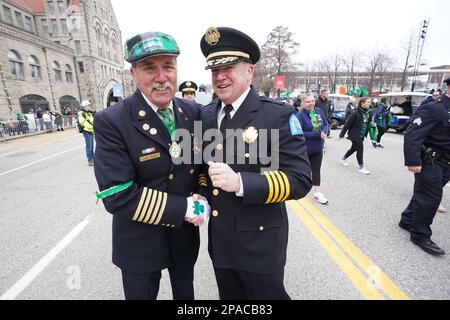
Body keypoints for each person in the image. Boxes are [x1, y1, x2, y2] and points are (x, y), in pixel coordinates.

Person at [198, 26, 312, 300]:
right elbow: (204, 169)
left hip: (260, 244)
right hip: (221, 242)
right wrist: (200, 195)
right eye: (215, 70)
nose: (220, 77)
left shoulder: (277, 116)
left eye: (229, 67)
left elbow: (300, 180)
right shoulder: (206, 116)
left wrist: (241, 183)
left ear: (249, 71)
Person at [93, 31, 207, 300]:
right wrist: (185, 207)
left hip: (183, 237)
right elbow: (116, 195)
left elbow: (202, 163)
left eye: (168, 66)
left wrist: (201, 192)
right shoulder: (112, 121)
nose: (161, 77)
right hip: (139, 242)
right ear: (133, 74)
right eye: (149, 68)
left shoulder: (193, 113)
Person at [398, 78, 450, 256]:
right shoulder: (434, 107)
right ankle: (420, 234)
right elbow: (413, 134)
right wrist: (413, 161)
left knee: (425, 193)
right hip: (431, 160)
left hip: (446, 162)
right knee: (431, 198)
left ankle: (407, 219)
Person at [297, 93, 329, 204]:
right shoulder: (300, 115)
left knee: (316, 171)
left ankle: (317, 193)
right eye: (308, 101)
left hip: (318, 148)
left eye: (312, 101)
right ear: (303, 103)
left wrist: (324, 131)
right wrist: (316, 135)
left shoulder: (318, 111)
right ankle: (299, 191)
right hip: (305, 149)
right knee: (305, 172)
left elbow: (325, 124)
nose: (311, 103)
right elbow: (299, 133)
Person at [338, 97, 373, 175]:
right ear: (362, 103)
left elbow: (367, 122)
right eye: (368, 102)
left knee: (353, 149)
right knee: (360, 149)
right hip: (355, 135)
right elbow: (347, 124)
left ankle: (343, 159)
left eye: (369, 102)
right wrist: (341, 135)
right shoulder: (355, 113)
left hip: (362, 135)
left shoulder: (367, 112)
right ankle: (361, 167)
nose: (369, 103)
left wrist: (372, 124)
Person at [77, 100, 95, 166]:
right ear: (85, 106)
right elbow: (84, 123)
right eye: (89, 105)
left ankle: (93, 158)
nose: (90, 106)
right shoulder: (82, 113)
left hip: (90, 131)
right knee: (89, 146)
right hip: (87, 131)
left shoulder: (89, 113)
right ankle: (90, 160)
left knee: (91, 145)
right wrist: (92, 128)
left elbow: (92, 120)